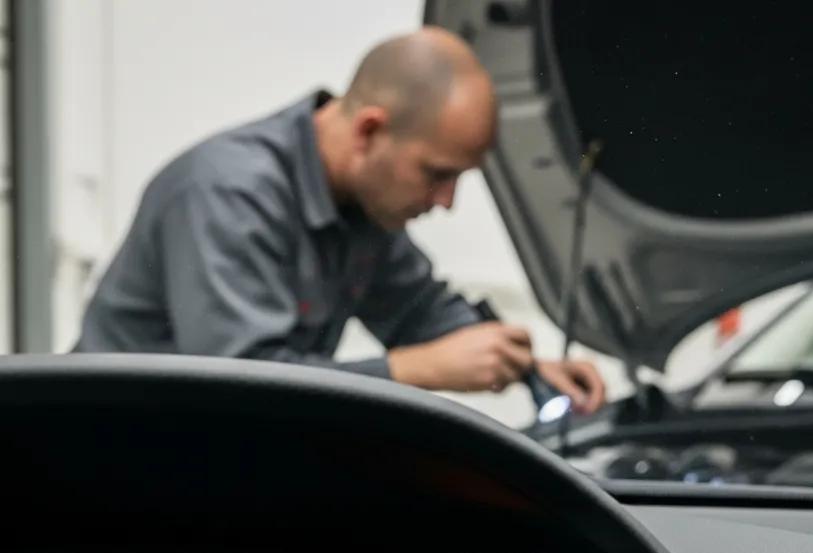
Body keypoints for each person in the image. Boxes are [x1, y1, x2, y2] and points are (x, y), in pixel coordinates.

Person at [74, 27, 606, 413]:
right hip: (115, 457)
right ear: (369, 131)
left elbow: (416, 308)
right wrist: (415, 370)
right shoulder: (227, 194)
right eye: (437, 174)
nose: (446, 202)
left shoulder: (363, 200)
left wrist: (529, 369)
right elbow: (244, 389)